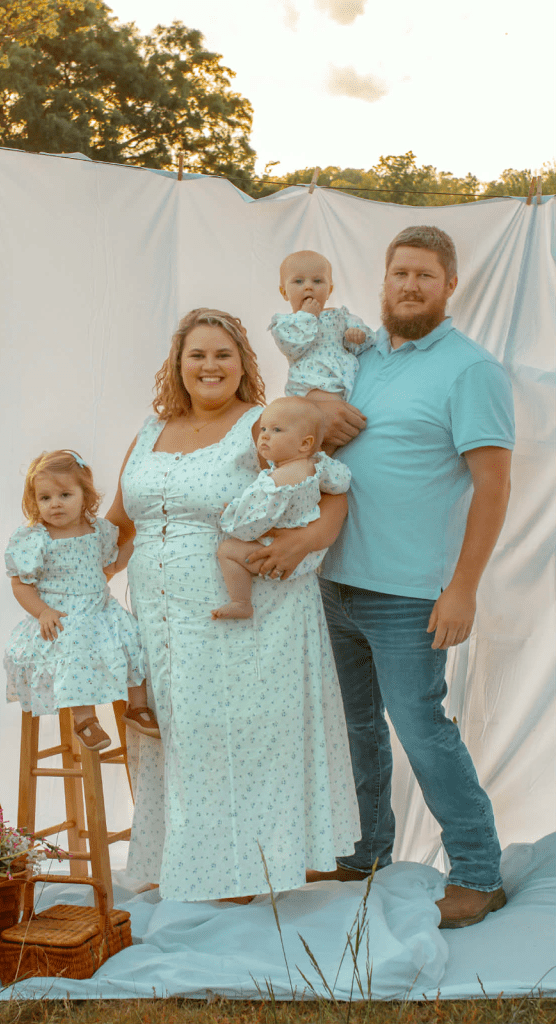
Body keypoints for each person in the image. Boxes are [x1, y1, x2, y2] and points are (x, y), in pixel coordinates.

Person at [290, 225, 514, 930]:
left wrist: (463, 587)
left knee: (421, 729)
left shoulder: (468, 369)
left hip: (410, 592)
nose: (409, 286)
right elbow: (310, 412)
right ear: (382, 281)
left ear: (450, 287)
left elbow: (493, 485)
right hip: (335, 579)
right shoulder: (363, 357)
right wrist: (321, 409)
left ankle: (478, 872)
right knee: (354, 726)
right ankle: (365, 851)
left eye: (424, 275)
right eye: (398, 274)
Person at [105, 309, 360, 902]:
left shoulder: (265, 425)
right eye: (197, 354)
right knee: (178, 734)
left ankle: (252, 869)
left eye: (223, 354)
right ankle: (193, 865)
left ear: (244, 363)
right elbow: (121, 523)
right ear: (178, 365)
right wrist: (67, 571)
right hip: (161, 614)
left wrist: (300, 543)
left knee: (241, 733)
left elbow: (334, 497)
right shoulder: (149, 431)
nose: (210, 365)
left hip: (247, 606)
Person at [4, 449, 160, 750]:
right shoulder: (36, 539)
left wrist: (143, 538)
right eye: (45, 498)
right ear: (34, 502)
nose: (55, 504)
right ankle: (85, 720)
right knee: (76, 651)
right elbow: (21, 584)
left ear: (85, 497)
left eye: (65, 494)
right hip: (61, 618)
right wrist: (43, 612)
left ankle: (137, 706)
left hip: (100, 612)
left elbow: (112, 564)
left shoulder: (97, 531)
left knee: (134, 639)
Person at [212, 396, 351, 620]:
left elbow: (254, 525)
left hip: (280, 554)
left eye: (277, 430)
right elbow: (341, 482)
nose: (265, 435)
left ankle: (241, 601)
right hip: (310, 551)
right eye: (264, 428)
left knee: (228, 551)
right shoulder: (316, 465)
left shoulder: (276, 483)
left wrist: (231, 516)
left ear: (305, 443)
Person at [269, 250, 375, 445]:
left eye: (318, 281)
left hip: (344, 383)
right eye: (298, 282)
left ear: (330, 288)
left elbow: (366, 340)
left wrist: (356, 336)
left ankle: (327, 468)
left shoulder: (340, 316)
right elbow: (292, 346)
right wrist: (307, 316)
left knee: (347, 432)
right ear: (284, 292)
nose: (309, 287)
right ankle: (315, 467)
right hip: (311, 385)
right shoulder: (286, 323)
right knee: (320, 435)